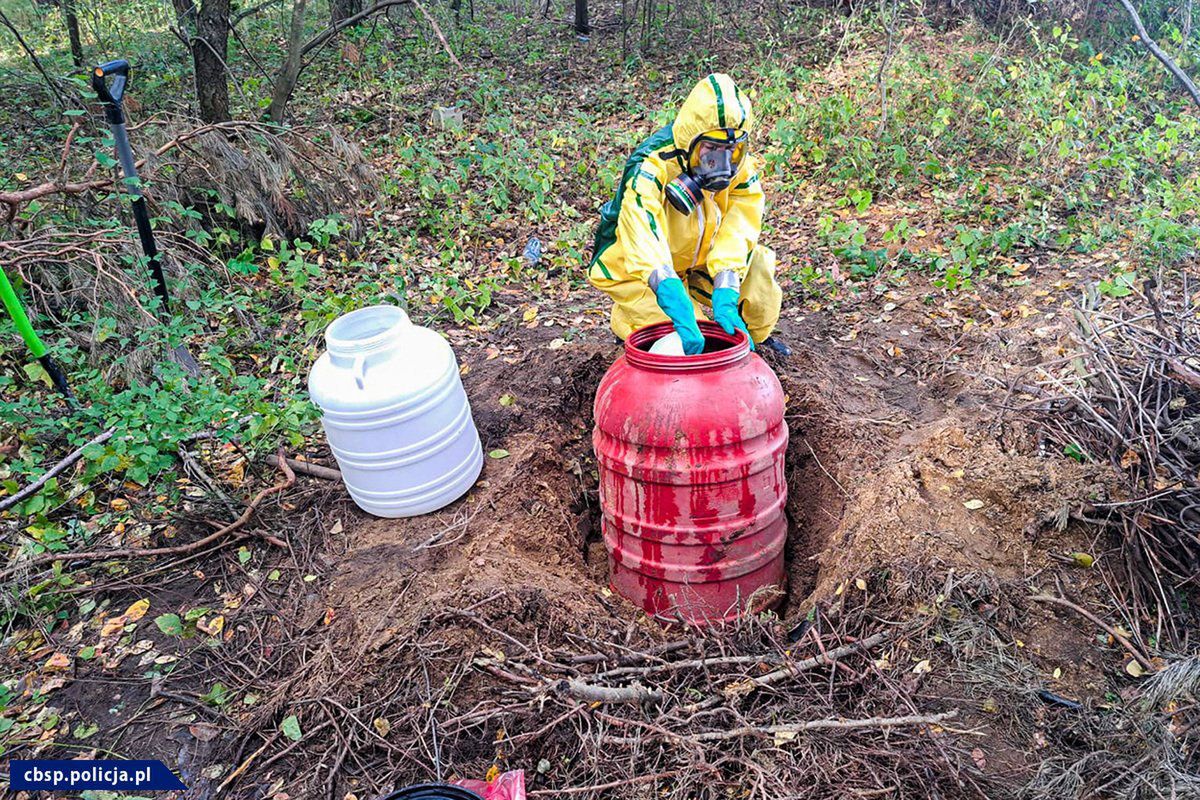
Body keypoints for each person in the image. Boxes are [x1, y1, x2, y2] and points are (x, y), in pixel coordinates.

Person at [587, 73, 787, 356]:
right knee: (686, 337)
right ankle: (631, 324)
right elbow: (641, 232)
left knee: (759, 270)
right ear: (691, 140)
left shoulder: (740, 166)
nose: (722, 162)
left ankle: (753, 344)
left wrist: (727, 283)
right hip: (642, 267)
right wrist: (667, 287)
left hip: (701, 256)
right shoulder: (652, 164)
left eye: (731, 150)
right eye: (711, 149)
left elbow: (742, 222)